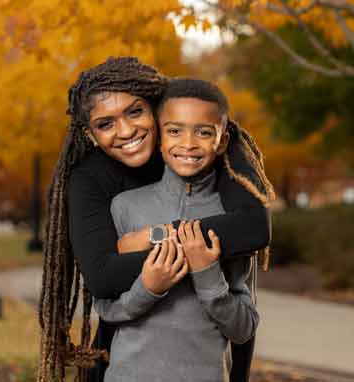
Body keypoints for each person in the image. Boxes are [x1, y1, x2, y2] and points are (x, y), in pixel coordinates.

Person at [37, 57, 274, 382]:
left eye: (135, 111)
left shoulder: (204, 146)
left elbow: (252, 230)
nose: (126, 131)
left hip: (212, 358)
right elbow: (103, 277)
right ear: (90, 133)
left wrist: (160, 236)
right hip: (128, 357)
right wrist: (190, 254)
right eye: (105, 124)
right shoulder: (92, 180)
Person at [92, 78, 260, 382]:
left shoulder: (233, 219)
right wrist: (149, 288)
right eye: (174, 131)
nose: (188, 144)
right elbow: (105, 309)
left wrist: (209, 277)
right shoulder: (125, 207)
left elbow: (244, 328)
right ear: (159, 138)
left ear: (221, 142)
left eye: (204, 132)